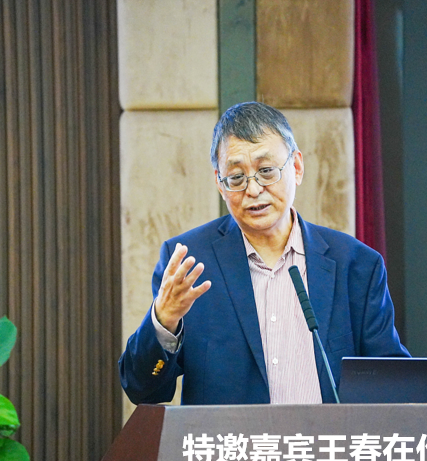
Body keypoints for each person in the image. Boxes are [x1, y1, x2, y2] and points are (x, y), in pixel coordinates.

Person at [118, 102, 410, 405]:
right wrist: (164, 321)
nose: (254, 189)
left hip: (328, 438)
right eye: (236, 178)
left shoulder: (356, 266)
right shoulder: (190, 265)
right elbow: (142, 390)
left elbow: (392, 387)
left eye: (266, 171)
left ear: (296, 167)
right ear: (220, 183)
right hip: (230, 438)